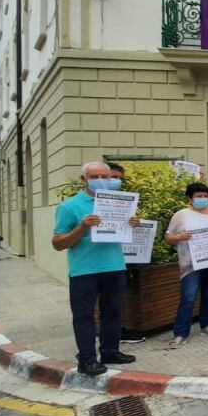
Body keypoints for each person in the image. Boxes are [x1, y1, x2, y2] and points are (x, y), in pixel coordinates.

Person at [52, 161, 139, 375]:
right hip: (84, 270)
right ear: (84, 179)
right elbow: (57, 243)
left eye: (104, 176)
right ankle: (87, 359)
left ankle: (110, 351)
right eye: (94, 176)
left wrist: (132, 224)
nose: (100, 180)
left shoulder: (119, 203)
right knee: (84, 316)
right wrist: (82, 227)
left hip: (115, 266)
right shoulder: (69, 206)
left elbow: (124, 232)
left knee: (113, 312)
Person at [164, 183, 208, 349]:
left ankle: (206, 325)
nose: (202, 199)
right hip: (191, 264)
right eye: (198, 196)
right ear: (190, 198)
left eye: (204, 196)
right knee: (188, 297)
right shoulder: (182, 215)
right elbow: (168, 237)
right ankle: (180, 333)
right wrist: (180, 237)